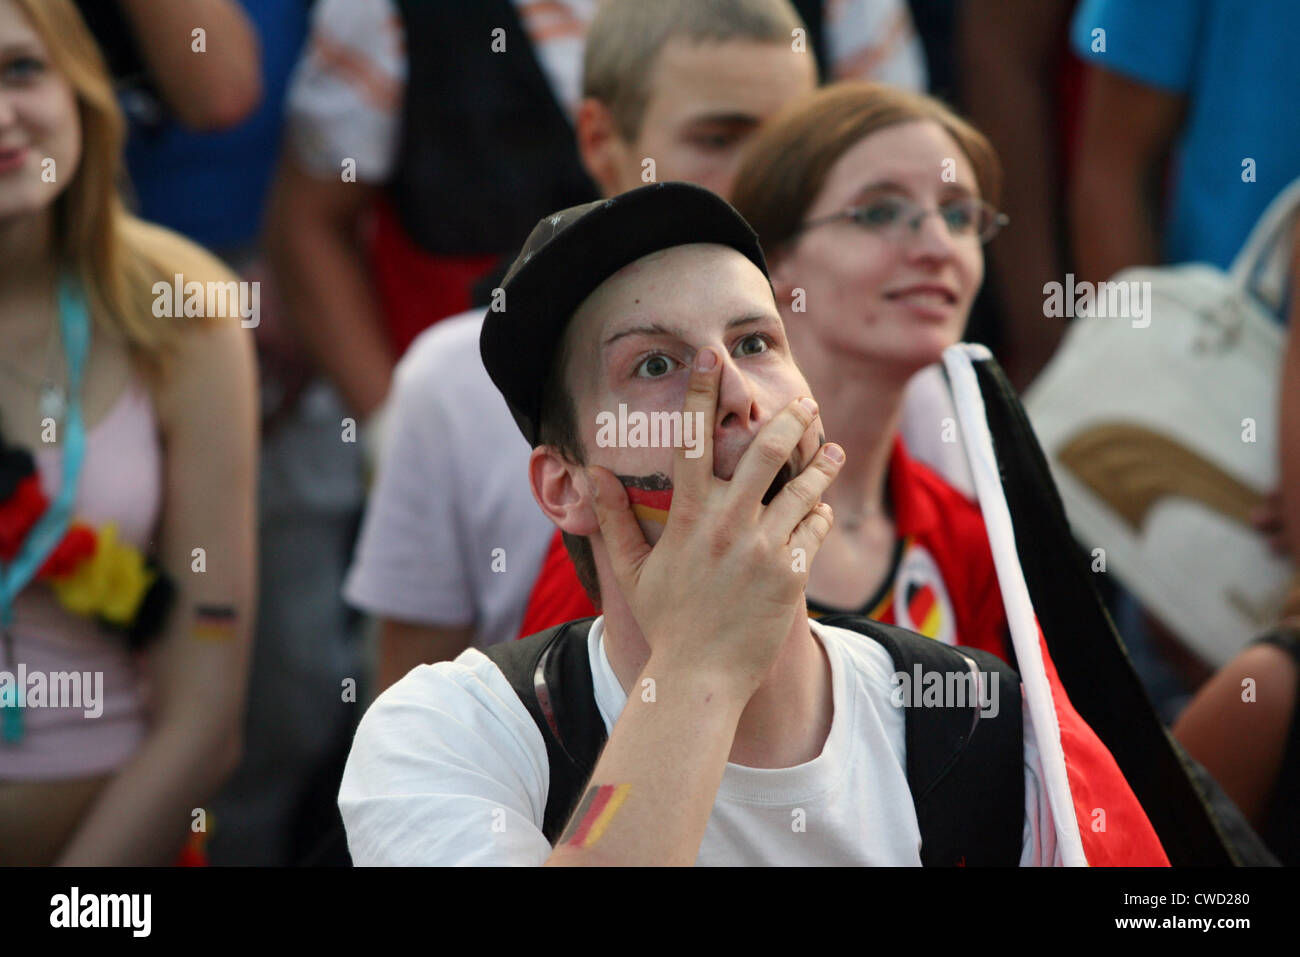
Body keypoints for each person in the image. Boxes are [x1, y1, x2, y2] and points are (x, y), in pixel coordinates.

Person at [338, 182, 1067, 866]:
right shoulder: (452, 731)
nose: (735, 395)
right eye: (656, 364)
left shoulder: (987, 726)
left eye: (755, 343)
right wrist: (698, 662)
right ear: (565, 487)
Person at [344, 0, 824, 693]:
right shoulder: (448, 384)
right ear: (599, 137)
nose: (763, 181)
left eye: (791, 148)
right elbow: (412, 693)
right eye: (719, 137)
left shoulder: (893, 363)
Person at [518, 82, 1015, 659]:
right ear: (771, 260)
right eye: (880, 212)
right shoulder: (632, 528)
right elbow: (565, 733)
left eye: (958, 215)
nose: (938, 246)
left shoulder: (968, 535)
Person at [0, 0, 256, 864]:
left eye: (21, 70)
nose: (2, 115)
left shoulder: (182, 309)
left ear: (79, 83)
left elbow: (205, 717)